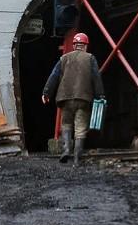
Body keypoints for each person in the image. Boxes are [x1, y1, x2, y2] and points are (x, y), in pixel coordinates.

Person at [42, 32, 104, 165]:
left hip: (65, 98)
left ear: (74, 45)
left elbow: (54, 76)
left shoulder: (64, 58)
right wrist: (100, 95)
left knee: (66, 124)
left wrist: (46, 93)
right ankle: (76, 159)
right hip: (83, 98)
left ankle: (66, 151)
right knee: (80, 127)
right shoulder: (90, 58)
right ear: (86, 46)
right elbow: (96, 78)